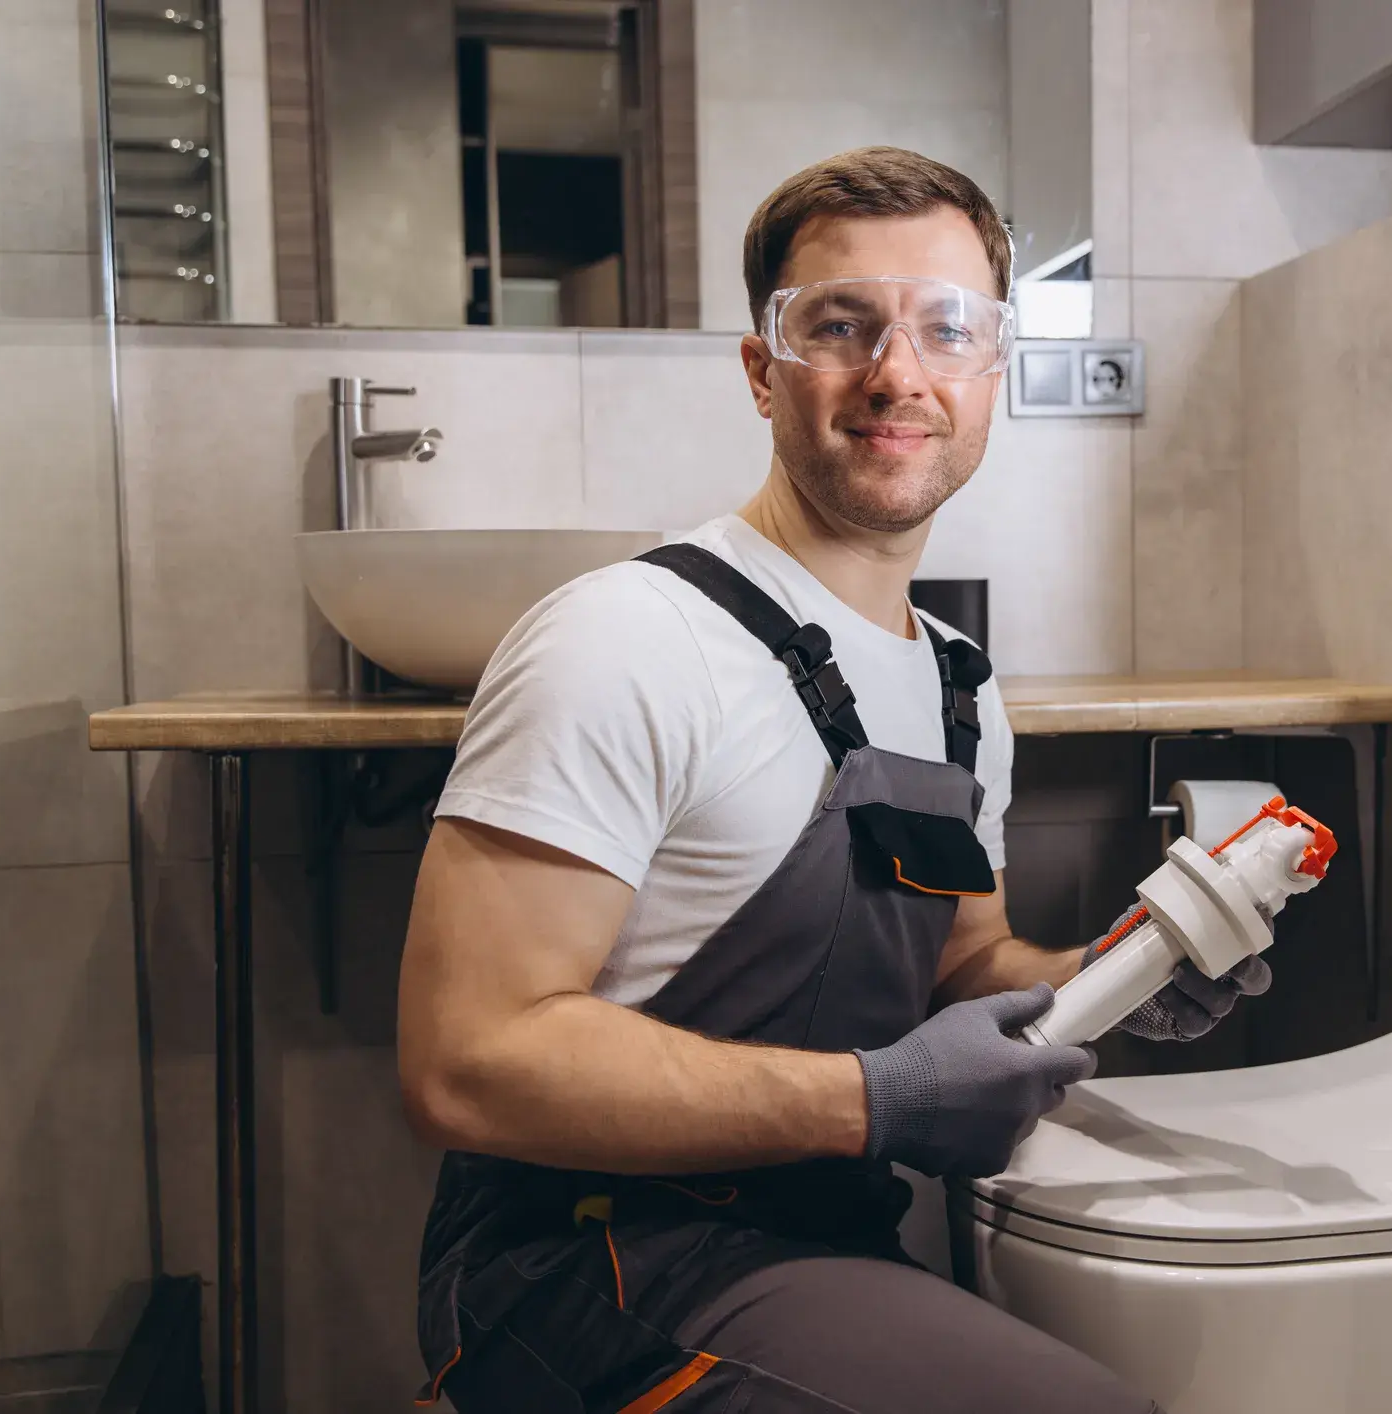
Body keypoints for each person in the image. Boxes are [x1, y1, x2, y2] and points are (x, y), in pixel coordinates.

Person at [397, 146, 1268, 1414]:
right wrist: (878, 1097)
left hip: (820, 1244)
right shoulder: (626, 638)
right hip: (587, 1263)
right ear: (763, 370)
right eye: (840, 325)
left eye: (945, 330)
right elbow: (461, 1061)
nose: (896, 375)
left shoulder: (960, 686)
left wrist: (1117, 977)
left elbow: (965, 968)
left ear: (990, 374)